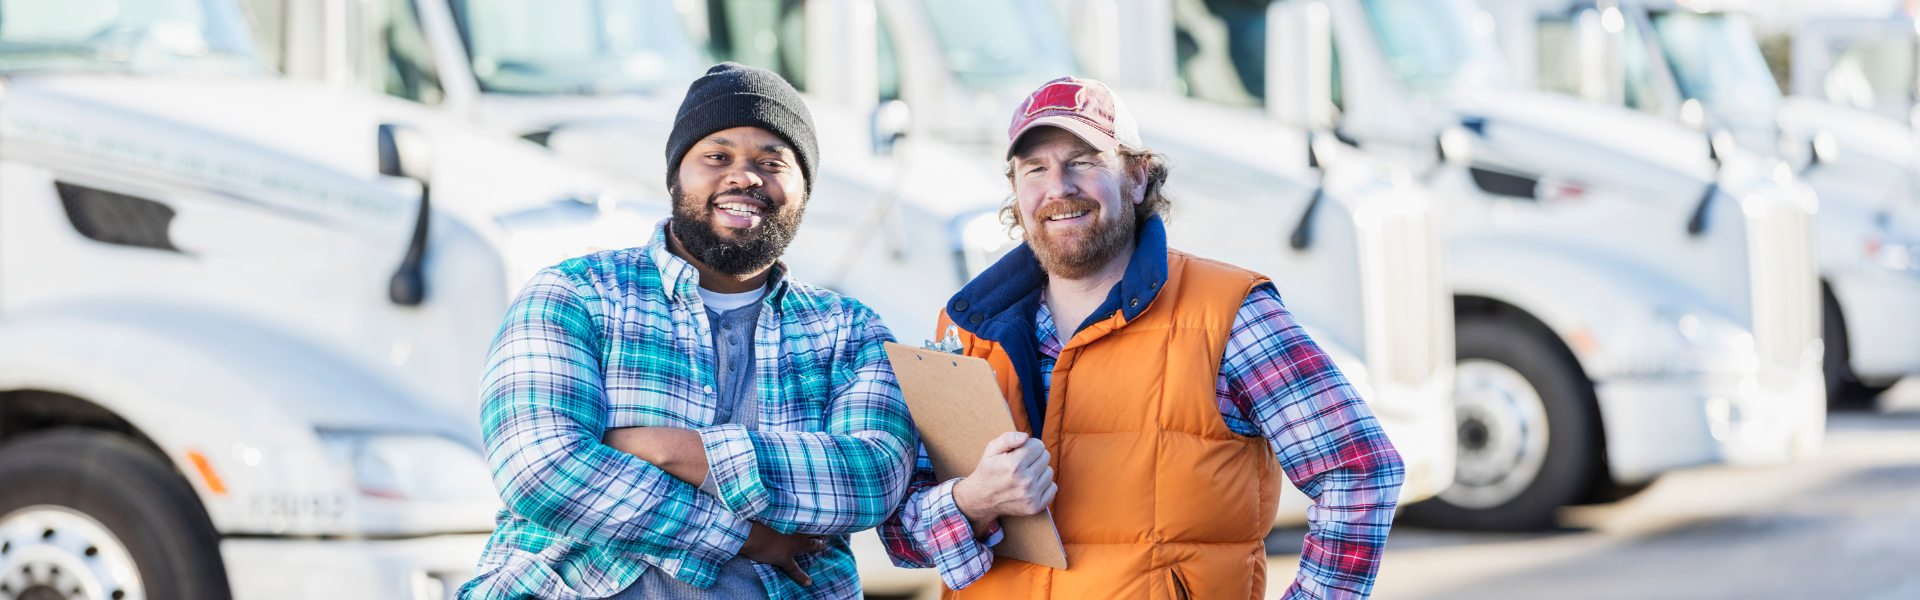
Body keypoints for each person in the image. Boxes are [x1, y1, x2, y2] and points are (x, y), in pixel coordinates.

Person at [879, 77, 1405, 599]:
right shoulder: (965, 330)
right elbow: (901, 534)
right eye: (1035, 168)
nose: (1057, 187)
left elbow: (1361, 471)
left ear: (1137, 177)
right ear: (1016, 192)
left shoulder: (1228, 314)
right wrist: (972, 500)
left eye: (1083, 161)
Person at [459, 63, 914, 600]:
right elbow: (541, 471)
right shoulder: (575, 295)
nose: (745, 177)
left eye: (772, 162)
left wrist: (669, 449)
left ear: (804, 190)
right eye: (717, 157)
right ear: (676, 175)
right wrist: (742, 535)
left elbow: (873, 479)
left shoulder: (848, 331)